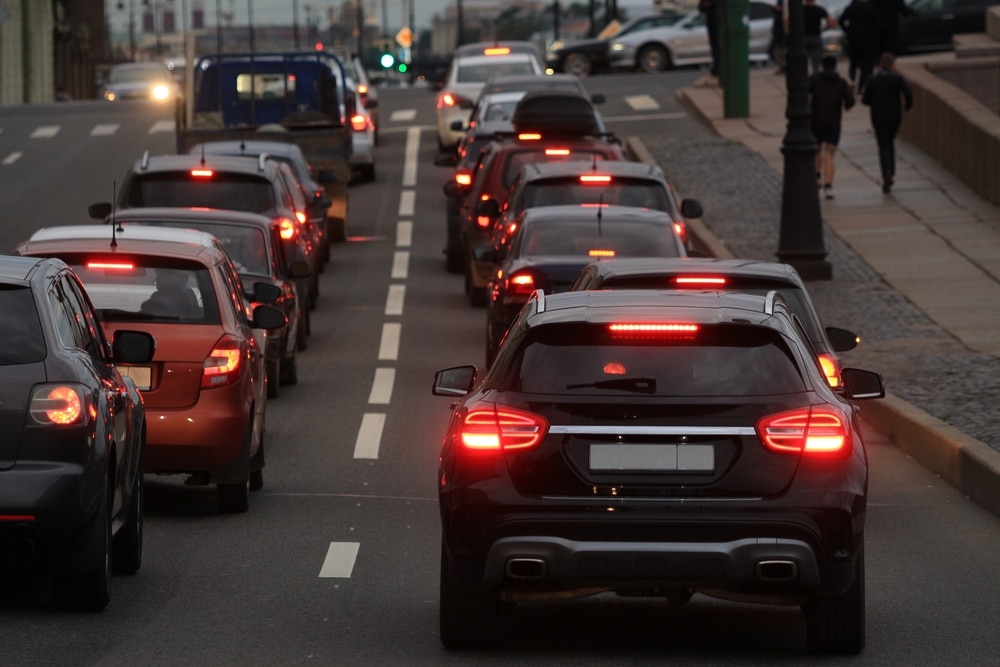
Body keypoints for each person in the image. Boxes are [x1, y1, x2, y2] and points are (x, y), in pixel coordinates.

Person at [862, 52, 913, 194]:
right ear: (893, 64)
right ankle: (891, 171)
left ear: (880, 65)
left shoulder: (873, 79)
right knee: (890, 142)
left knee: (883, 146)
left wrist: (875, 102)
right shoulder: (898, 78)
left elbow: (865, 100)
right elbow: (908, 92)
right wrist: (907, 106)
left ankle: (886, 173)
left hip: (879, 117)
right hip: (895, 116)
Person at [810, 54, 856, 200]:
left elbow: (805, 96)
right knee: (829, 153)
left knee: (816, 150)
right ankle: (828, 186)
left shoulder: (814, 80)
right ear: (835, 66)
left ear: (822, 66)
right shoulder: (841, 82)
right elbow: (850, 102)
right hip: (834, 122)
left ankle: (817, 176)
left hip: (815, 120)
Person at [838, 0, 881, 93]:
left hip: (853, 39)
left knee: (853, 62)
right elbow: (878, 25)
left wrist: (848, 31)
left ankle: (852, 79)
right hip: (868, 40)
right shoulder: (871, 9)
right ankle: (861, 86)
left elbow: (841, 21)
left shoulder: (851, 8)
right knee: (866, 66)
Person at [801, 0, 838, 76]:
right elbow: (831, 22)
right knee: (816, 61)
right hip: (816, 36)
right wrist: (823, 29)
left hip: (804, 37)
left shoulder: (801, 10)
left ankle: (803, 76)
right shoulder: (819, 9)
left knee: (802, 60)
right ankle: (815, 77)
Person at [700, 0, 724, 78]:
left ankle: (719, 68)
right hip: (713, 22)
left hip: (720, 22)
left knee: (719, 47)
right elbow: (701, 7)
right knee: (715, 47)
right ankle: (717, 68)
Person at [770, 0, 787, 74]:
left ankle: (784, 66)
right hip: (778, 33)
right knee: (778, 50)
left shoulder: (784, 3)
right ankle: (782, 66)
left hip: (782, 33)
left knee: (782, 50)